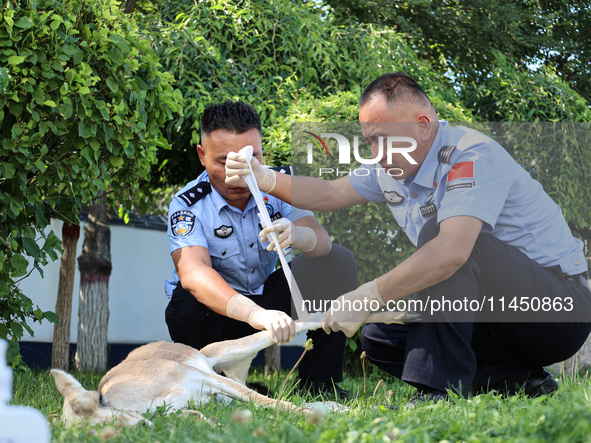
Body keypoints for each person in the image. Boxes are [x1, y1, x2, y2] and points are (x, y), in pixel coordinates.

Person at [225, 72, 591, 402]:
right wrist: (265, 177)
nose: (375, 153)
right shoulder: (391, 169)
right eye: (368, 141)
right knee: (382, 339)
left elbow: (452, 252)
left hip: (555, 313)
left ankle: (437, 392)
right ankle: (520, 380)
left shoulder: (471, 154)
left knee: (446, 236)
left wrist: (367, 295)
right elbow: (329, 193)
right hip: (496, 321)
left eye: (381, 139)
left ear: (422, 124)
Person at [164, 100, 357, 398]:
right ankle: (211, 385)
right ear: (202, 156)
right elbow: (193, 272)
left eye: (250, 158)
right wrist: (254, 314)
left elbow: (323, 244)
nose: (239, 175)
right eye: (225, 162)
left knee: (338, 260)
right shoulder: (188, 204)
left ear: (261, 152)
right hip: (222, 314)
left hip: (271, 301)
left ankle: (319, 383)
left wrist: (301, 235)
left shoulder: (277, 184)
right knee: (184, 303)